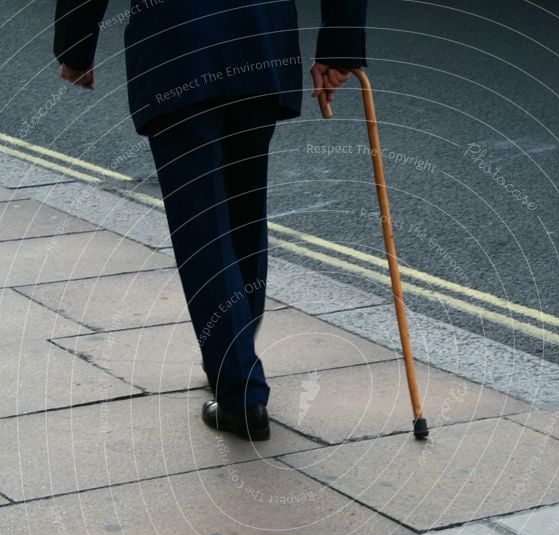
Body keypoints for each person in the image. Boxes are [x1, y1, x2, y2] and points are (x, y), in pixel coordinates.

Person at [54, 0, 368, 440]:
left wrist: (75, 45)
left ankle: (240, 393)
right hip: (258, 42)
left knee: (202, 228)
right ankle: (231, 353)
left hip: (177, 48)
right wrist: (340, 46)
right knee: (244, 210)